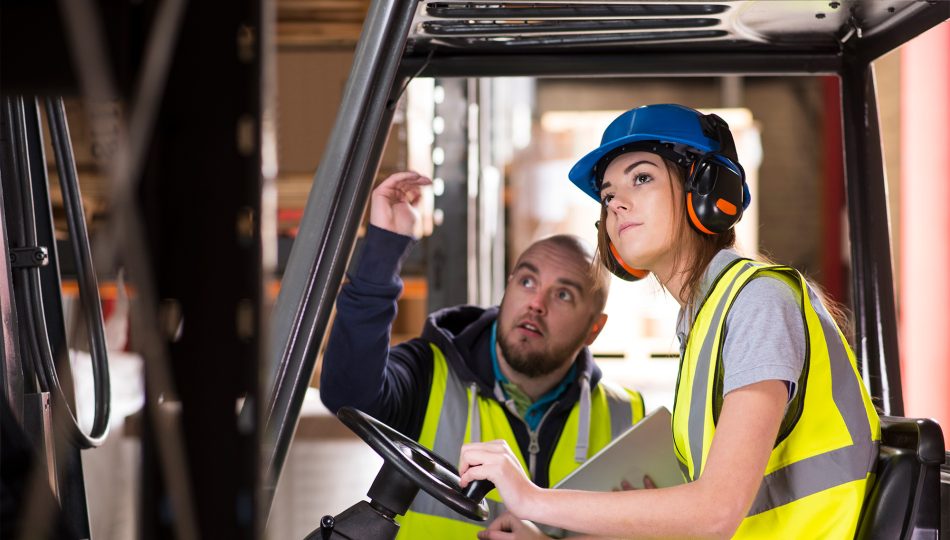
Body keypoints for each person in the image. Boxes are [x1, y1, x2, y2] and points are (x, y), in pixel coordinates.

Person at [458, 104, 881, 539]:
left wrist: (533, 499)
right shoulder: (705, 321)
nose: (617, 203)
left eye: (641, 178)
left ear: (705, 189)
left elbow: (716, 512)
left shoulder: (759, 302)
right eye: (607, 195)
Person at [320, 171, 646, 538]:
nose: (536, 304)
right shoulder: (429, 372)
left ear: (594, 329)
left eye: (563, 294)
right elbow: (347, 393)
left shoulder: (627, 420)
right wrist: (383, 251)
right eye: (526, 282)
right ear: (506, 292)